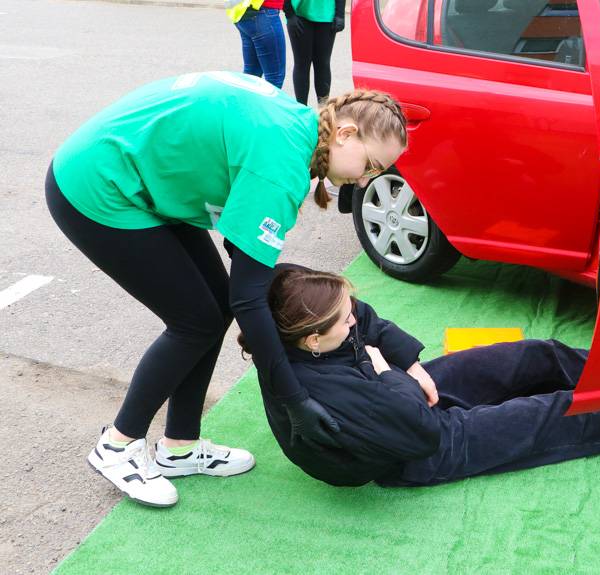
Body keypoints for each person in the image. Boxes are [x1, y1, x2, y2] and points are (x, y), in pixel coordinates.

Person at [45, 72, 407, 507]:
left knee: (212, 311)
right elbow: (248, 297)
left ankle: (179, 447)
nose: (366, 181)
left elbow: (243, 264)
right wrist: (294, 398)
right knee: (194, 321)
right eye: (370, 166)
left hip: (140, 174)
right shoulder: (279, 167)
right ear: (345, 134)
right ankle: (118, 445)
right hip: (96, 184)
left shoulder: (300, 129)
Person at [240, 266, 600, 487]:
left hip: (395, 392)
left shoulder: (302, 309)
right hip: (413, 448)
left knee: (531, 356)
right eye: (342, 320)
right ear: (312, 340)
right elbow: (419, 428)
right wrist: (389, 371)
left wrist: (411, 366)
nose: (353, 318)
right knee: (548, 415)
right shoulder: (322, 393)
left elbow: (367, 320)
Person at [283, 0, 346, 105]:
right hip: (298, 14)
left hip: (326, 15)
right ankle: (302, 109)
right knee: (302, 65)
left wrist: (340, 14)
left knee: (323, 65)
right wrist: (289, 13)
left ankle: (323, 110)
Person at [231, 0, 288, 89]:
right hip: (262, 10)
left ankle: (246, 98)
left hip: (241, 10)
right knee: (275, 78)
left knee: (251, 75)